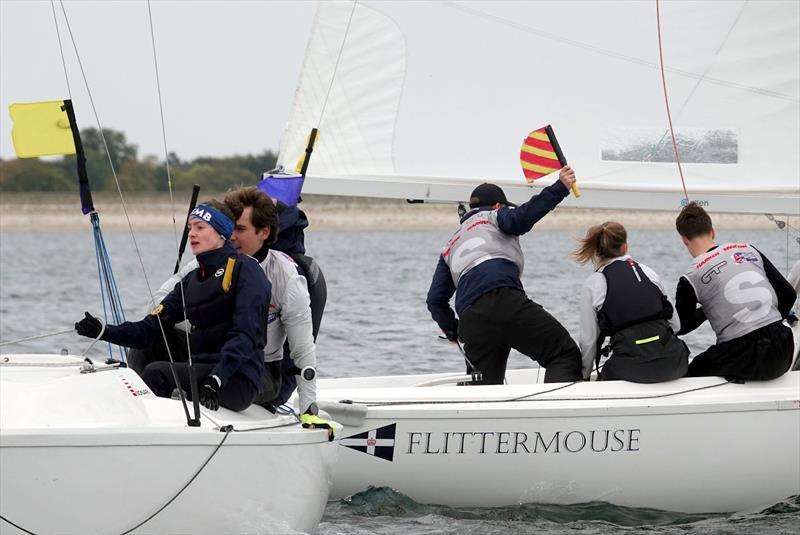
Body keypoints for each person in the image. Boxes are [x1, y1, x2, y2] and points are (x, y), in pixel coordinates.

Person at [147, 187, 332, 435]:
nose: (230, 236)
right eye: (228, 227)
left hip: (259, 370)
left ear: (264, 232)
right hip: (211, 357)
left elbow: (303, 350)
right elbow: (158, 303)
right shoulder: (207, 261)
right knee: (149, 339)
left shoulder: (286, 278)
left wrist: (309, 407)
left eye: (240, 230)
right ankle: (141, 412)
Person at [76, 200, 268, 411]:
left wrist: (216, 379)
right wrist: (104, 331)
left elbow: (246, 335)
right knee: (147, 348)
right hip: (203, 368)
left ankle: (160, 425)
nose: (191, 234)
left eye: (200, 227)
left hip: (236, 378)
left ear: (222, 233)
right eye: (189, 228)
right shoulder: (191, 281)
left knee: (157, 373)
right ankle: (136, 413)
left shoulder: (246, 270)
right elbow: (149, 329)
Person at [426, 167, 583, 384]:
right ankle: (553, 415)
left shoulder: (450, 245)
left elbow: (435, 300)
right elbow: (523, 216)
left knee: (484, 388)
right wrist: (561, 187)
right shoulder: (493, 216)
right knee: (564, 355)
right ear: (499, 205)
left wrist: (454, 331)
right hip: (504, 301)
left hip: (471, 320)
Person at [674, 202, 797, 381]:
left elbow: (681, 326)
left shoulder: (690, 277)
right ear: (712, 231)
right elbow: (788, 294)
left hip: (744, 355)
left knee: (687, 372)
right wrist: (773, 325)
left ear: (684, 239)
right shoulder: (748, 250)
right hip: (784, 349)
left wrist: (709, 310)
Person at [573, 221, 688, 382]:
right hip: (674, 364)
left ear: (596, 252)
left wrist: (584, 377)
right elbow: (676, 326)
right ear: (625, 247)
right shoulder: (649, 273)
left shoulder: (592, 284)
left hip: (629, 370)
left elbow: (589, 342)